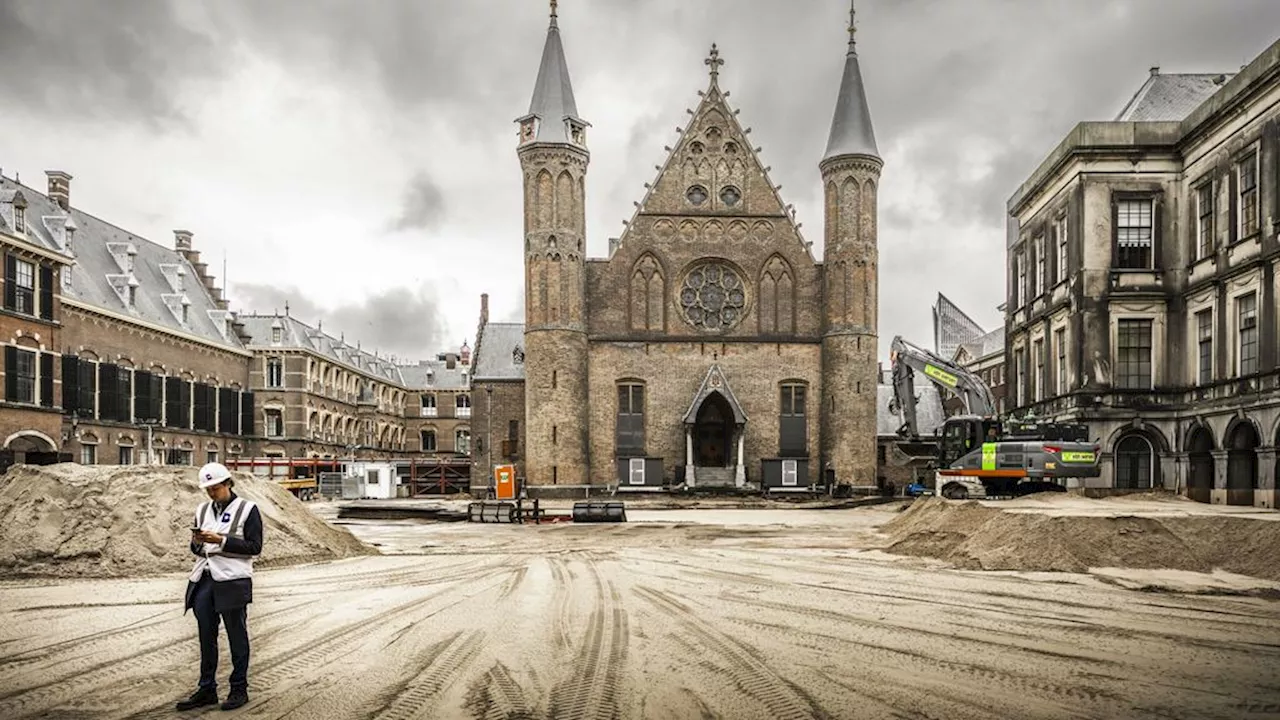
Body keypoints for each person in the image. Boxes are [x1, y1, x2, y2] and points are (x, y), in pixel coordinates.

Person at [175, 462, 264, 712]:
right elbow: (195, 549)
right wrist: (197, 542)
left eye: (215, 488)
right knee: (206, 637)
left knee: (237, 636)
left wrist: (221, 541)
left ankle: (239, 689)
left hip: (232, 581)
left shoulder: (248, 509)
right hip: (204, 579)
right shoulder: (202, 510)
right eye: (208, 489)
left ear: (227, 483)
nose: (211, 493)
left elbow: (255, 547)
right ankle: (207, 689)